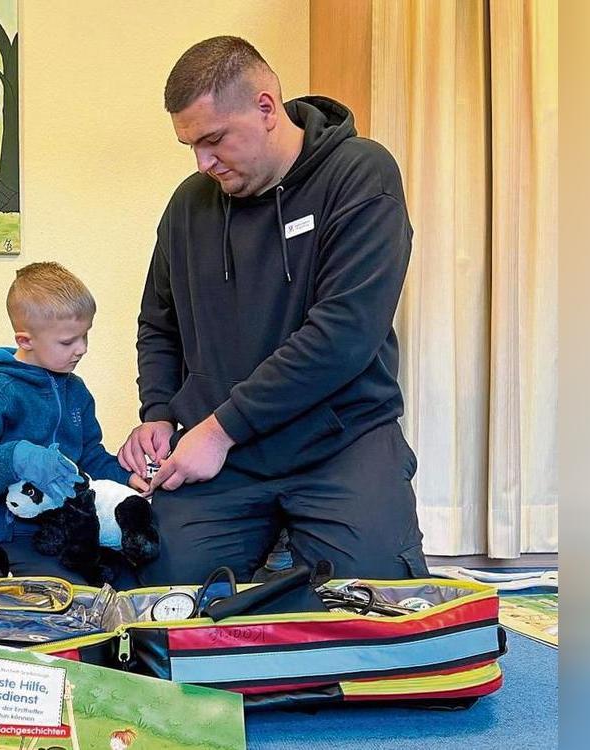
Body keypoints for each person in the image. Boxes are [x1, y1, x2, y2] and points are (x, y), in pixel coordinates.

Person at [118, 36, 430, 585]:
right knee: (163, 600)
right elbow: (158, 324)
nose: (202, 162)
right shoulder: (189, 205)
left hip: (339, 442)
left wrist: (218, 431)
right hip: (227, 456)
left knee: (377, 604)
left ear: (266, 108)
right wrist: (160, 413)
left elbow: (343, 336)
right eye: (190, 145)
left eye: (214, 140)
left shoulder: (360, 175)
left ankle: (296, 550)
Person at [0, 262, 149, 585]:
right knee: (69, 597)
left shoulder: (76, 390)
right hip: (6, 536)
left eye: (85, 336)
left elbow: (88, 457)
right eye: (68, 342)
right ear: (25, 341)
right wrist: (17, 457)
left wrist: (128, 477)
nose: (82, 349)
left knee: (128, 582)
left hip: (66, 530)